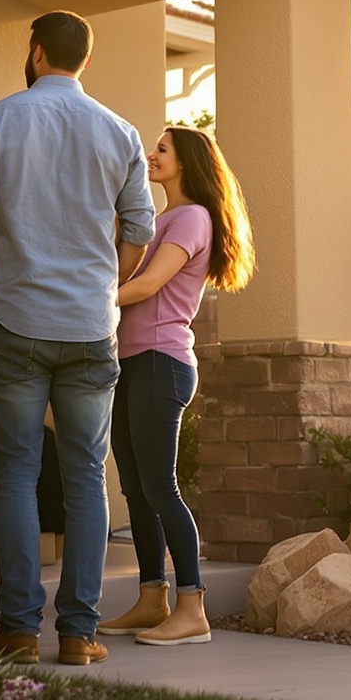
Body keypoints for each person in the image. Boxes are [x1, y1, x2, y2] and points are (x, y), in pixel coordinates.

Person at [0, 10, 155, 666]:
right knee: (86, 477)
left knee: (14, 471)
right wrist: (106, 284)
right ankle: (77, 634)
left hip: (15, 318)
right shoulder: (121, 132)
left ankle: (17, 629)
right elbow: (139, 229)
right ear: (84, 62)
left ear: (36, 53)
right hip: (91, 329)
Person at [97, 125, 252, 647]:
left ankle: (192, 608)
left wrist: (86, 303)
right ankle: (151, 598)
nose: (151, 155)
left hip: (162, 362)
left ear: (186, 160)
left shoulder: (191, 218)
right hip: (134, 362)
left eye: (161, 149)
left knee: (160, 487)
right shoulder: (164, 217)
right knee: (136, 490)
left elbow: (145, 285)